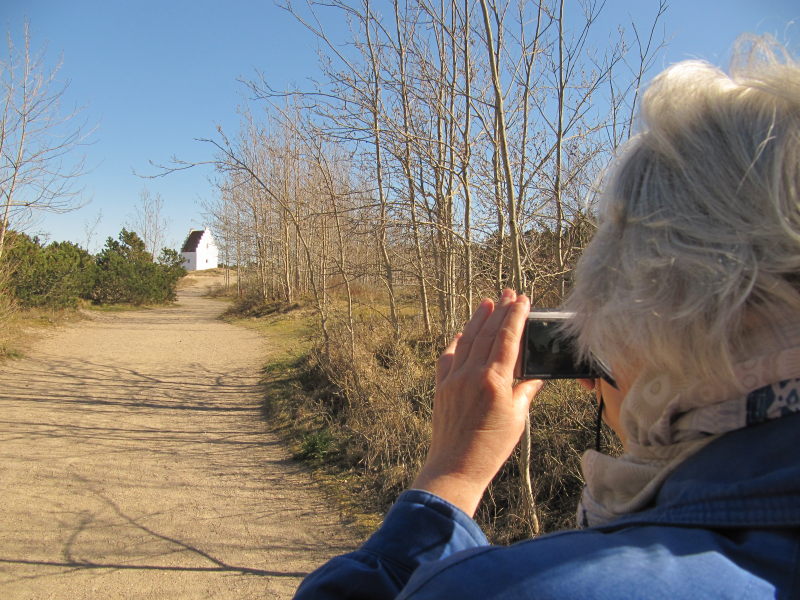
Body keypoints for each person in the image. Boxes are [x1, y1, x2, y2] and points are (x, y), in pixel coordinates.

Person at [294, 35, 800, 599]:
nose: (590, 372)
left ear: (665, 314)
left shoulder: (519, 588)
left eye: (605, 332)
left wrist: (450, 480)